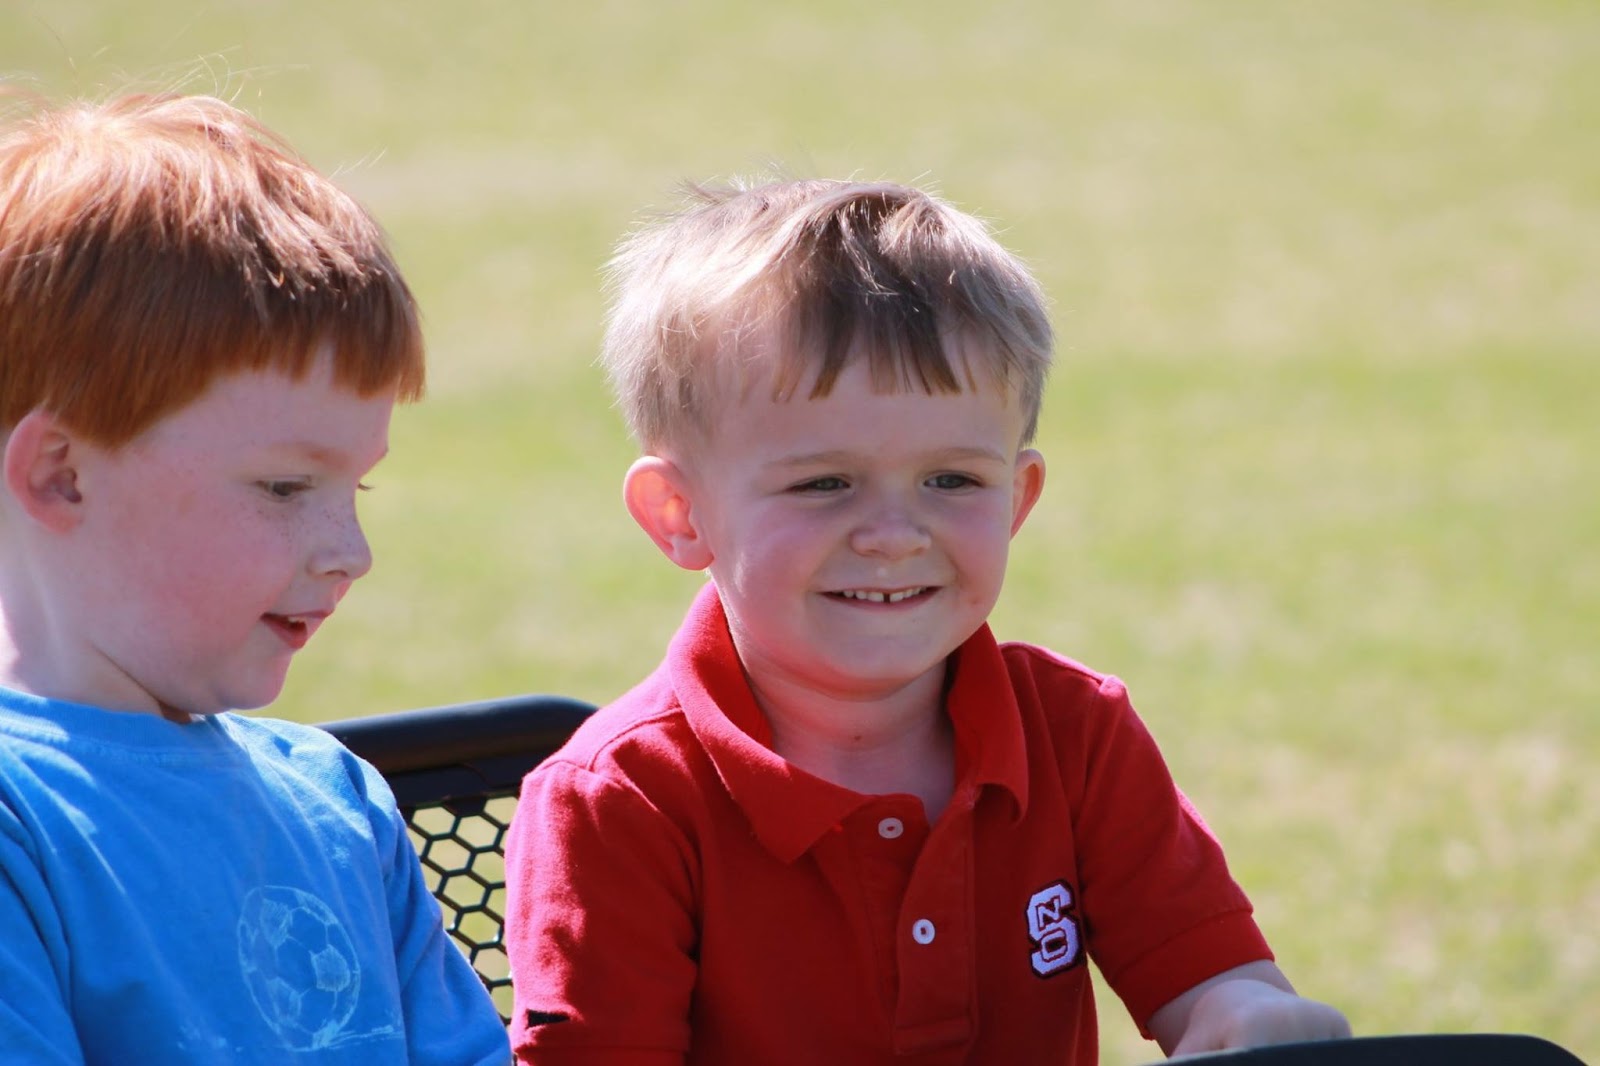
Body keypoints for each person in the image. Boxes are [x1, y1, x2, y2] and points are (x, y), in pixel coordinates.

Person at [504, 177, 1350, 1065]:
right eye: (823, 483)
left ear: (1018, 499)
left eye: (952, 480)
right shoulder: (618, 801)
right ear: (681, 514)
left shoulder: (1073, 734)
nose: (893, 536)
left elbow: (1211, 985)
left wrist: (1249, 1018)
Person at [0, 90, 509, 1064]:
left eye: (357, 486)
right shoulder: (21, 821)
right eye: (284, 486)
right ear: (61, 474)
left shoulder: (335, 801)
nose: (350, 552)